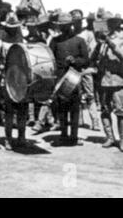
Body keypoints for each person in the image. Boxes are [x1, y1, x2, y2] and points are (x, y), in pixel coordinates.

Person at [50, 12, 89, 146]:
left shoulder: (79, 41)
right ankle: (63, 134)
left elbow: (86, 60)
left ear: (71, 25)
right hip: (60, 77)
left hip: (74, 78)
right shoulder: (55, 41)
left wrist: (75, 61)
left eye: (65, 25)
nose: (63, 28)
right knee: (61, 108)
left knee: (74, 108)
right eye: (61, 25)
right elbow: (50, 59)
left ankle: (74, 136)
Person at [0, 13, 27, 150]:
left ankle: (22, 136)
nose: (12, 30)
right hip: (6, 81)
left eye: (14, 27)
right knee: (9, 111)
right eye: (10, 27)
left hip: (22, 81)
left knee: (23, 110)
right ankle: (8, 138)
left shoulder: (23, 44)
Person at [94, 13, 123, 151]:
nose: (110, 24)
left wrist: (110, 43)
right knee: (105, 110)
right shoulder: (103, 38)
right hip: (103, 80)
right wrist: (97, 46)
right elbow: (93, 58)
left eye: (113, 22)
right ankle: (110, 138)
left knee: (121, 111)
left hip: (118, 80)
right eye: (108, 22)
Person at [70, 9, 100, 131]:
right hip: (73, 68)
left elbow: (93, 51)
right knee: (75, 94)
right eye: (74, 21)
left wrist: (90, 65)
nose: (76, 23)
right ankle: (79, 120)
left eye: (78, 21)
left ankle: (95, 122)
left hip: (86, 67)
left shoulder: (88, 33)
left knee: (90, 95)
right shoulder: (70, 34)